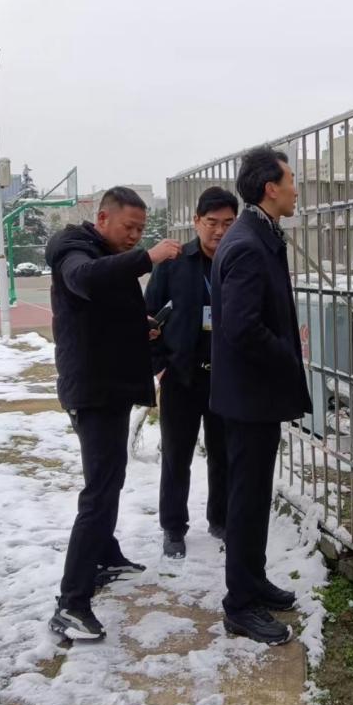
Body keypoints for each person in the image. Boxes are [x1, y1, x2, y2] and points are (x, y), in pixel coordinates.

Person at [45, 187, 181, 641]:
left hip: (110, 387)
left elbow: (101, 309)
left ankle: (105, 556)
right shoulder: (72, 249)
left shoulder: (105, 253)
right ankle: (71, 603)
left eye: (142, 230)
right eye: (129, 228)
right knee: (100, 492)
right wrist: (148, 258)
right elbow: (85, 280)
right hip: (93, 390)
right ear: (103, 218)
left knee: (108, 480)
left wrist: (138, 326)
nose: (135, 236)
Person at [210, 146, 312, 645]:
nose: (296, 188)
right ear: (271, 188)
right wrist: (287, 355)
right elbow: (242, 327)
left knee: (252, 497)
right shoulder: (249, 244)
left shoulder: (259, 234)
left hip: (252, 396)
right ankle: (239, 605)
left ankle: (252, 581)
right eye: (291, 180)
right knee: (246, 501)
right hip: (249, 398)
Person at [145, 187, 239, 559]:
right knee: (176, 456)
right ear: (197, 221)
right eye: (212, 222)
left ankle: (221, 519)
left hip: (226, 378)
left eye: (228, 223)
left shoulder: (239, 260)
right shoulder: (173, 263)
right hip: (181, 377)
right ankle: (173, 527)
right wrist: (160, 367)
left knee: (223, 454)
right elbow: (148, 318)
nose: (219, 231)